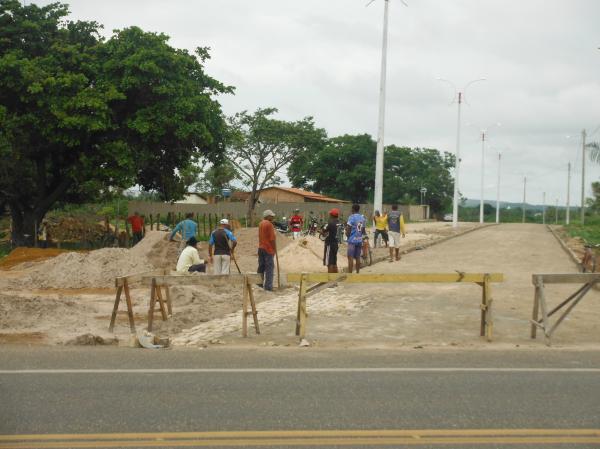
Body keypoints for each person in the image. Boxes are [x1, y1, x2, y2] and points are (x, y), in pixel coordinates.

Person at [258, 209, 277, 291]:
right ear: (267, 216)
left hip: (261, 247)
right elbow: (272, 239)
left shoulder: (260, 223)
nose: (272, 217)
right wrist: (275, 249)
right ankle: (268, 287)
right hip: (268, 249)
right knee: (269, 268)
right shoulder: (269, 224)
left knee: (261, 267)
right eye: (271, 216)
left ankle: (259, 284)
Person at [346, 204, 366, 273]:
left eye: (351, 209)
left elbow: (348, 228)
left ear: (353, 209)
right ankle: (357, 273)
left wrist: (347, 235)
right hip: (359, 239)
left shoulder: (351, 217)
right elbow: (363, 230)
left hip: (352, 240)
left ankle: (350, 275)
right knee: (357, 257)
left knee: (350, 257)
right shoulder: (362, 218)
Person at [322, 208, 340, 273]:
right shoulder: (338, 222)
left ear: (331, 215)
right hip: (336, 244)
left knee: (329, 263)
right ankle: (336, 279)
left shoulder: (330, 223)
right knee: (334, 262)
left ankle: (330, 280)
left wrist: (322, 231)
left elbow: (323, 231)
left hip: (329, 244)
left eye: (330, 214)